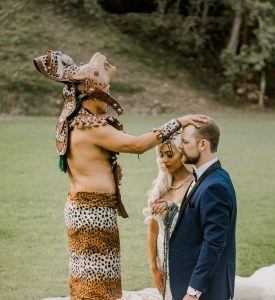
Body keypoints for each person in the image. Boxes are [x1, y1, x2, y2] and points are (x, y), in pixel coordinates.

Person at [33, 50, 207, 300]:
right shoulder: (90, 126)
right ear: (94, 93)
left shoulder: (78, 122)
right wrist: (177, 122)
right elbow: (137, 144)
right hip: (91, 210)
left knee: (92, 281)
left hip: (89, 208)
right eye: (107, 90)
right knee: (96, 286)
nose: (109, 98)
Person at [153, 119, 237, 300]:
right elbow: (198, 211)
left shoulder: (215, 185)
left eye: (185, 142)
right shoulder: (206, 176)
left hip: (205, 290)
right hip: (190, 279)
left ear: (203, 144)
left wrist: (193, 292)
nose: (181, 147)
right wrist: (169, 206)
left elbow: (214, 243)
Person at [143, 132, 193, 299]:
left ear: (183, 153)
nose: (164, 160)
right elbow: (152, 230)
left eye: (169, 155)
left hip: (188, 262)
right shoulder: (161, 187)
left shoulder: (196, 184)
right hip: (164, 264)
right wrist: (154, 268)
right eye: (161, 155)